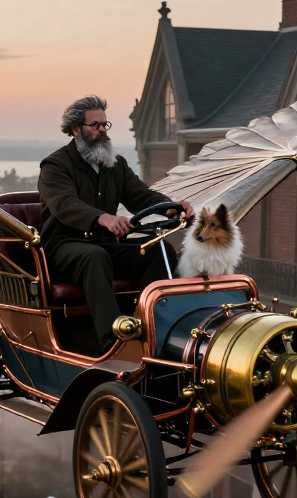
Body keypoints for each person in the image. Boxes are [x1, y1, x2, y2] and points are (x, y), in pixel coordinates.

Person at [38, 95, 193, 354]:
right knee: (94, 256)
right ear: (76, 129)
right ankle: (114, 341)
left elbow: (140, 195)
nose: (102, 131)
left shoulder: (115, 164)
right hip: (65, 246)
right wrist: (102, 217)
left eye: (105, 125)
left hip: (106, 244)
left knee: (159, 249)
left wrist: (172, 207)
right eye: (95, 126)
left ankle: (156, 325)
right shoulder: (55, 166)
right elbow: (65, 205)